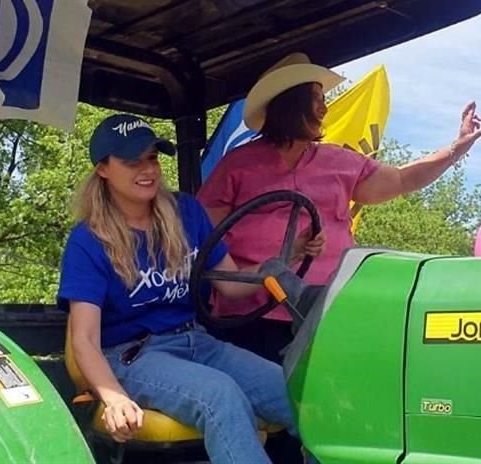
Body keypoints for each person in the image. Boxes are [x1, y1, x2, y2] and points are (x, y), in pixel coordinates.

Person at [57, 113, 315, 464]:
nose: (147, 170)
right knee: (220, 396)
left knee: (299, 392)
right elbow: (84, 339)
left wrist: (288, 256)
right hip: (133, 356)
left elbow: (230, 284)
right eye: (132, 161)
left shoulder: (186, 212)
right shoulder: (88, 241)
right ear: (103, 169)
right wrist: (114, 396)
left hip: (198, 342)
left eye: (151, 158)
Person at [198, 52, 481, 363]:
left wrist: (456, 149)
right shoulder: (237, 165)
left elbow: (402, 179)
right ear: (291, 102)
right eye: (316, 98)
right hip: (249, 319)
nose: (324, 107)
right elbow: (203, 235)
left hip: (328, 314)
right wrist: (286, 253)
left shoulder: (340, 162)